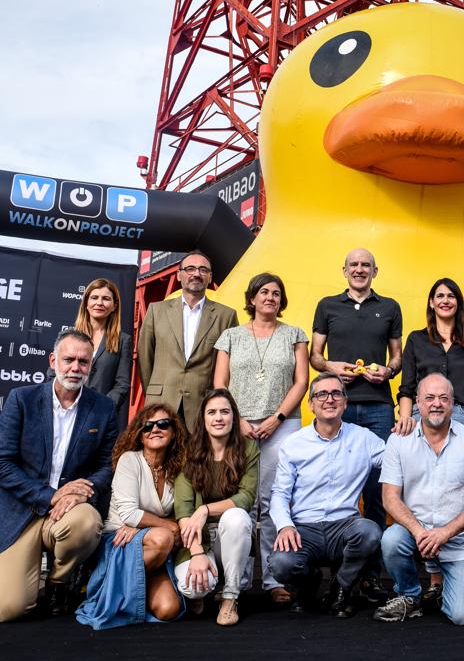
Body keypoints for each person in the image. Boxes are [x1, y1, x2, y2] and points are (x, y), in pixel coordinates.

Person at [0, 329, 117, 622]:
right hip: (20, 512)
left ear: (90, 366)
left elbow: (109, 465)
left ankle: (60, 581)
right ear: (53, 360)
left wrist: (86, 488)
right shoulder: (22, 399)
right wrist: (51, 495)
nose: (75, 368)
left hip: (70, 512)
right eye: (68, 359)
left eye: (83, 361)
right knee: (7, 610)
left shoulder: (103, 408)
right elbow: (0, 463)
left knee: (87, 522)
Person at [310, 247, 403, 598]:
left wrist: (389, 370)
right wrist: (333, 367)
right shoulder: (327, 305)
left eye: (366, 265)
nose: (359, 270)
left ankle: (371, 574)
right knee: (338, 489)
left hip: (379, 406)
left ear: (375, 271)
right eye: (354, 265)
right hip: (339, 406)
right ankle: (341, 571)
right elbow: (315, 356)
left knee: (378, 493)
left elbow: (397, 356)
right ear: (344, 270)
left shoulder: (390, 307)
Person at [213, 272, 309, 604]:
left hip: (283, 426)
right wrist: (236, 419)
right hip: (237, 427)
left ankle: (272, 579)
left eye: (276, 293)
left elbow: (301, 382)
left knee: (274, 503)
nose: (270, 297)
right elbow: (220, 383)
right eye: (263, 292)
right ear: (251, 298)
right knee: (241, 502)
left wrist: (276, 418)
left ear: (282, 301)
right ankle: (235, 581)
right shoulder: (230, 336)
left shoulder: (295, 334)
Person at [396, 279, 464, 603]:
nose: (446, 300)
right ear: (431, 303)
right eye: (440, 296)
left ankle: (463, 565)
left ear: (458, 302)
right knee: (427, 490)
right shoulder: (417, 340)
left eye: (451, 296)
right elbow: (407, 386)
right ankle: (434, 577)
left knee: (463, 495)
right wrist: (406, 418)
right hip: (427, 417)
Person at [375, 373, 464, 626]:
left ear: (452, 403)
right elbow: (389, 498)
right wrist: (419, 532)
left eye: (443, 398)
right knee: (391, 539)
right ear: (417, 402)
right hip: (415, 533)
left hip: (460, 539)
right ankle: (409, 595)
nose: (436, 403)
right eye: (429, 398)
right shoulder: (398, 441)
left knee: (462, 616)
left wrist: (444, 533)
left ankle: (446, 588)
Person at [269, 373, 386, 617]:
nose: (329, 399)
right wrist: (285, 526)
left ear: (345, 401)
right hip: (305, 529)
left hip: (345, 527)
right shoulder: (293, 444)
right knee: (281, 564)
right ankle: (308, 583)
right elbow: (279, 494)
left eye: (336, 393)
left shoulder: (364, 438)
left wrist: (415, 432)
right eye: (321, 394)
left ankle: (340, 587)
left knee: (370, 532)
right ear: (310, 403)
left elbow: (396, 461)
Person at [75, 404, 188, 629]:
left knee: (169, 609)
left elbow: (183, 512)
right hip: (120, 540)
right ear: (140, 434)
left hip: (151, 546)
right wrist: (166, 526)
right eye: (148, 426)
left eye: (163, 424)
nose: (155, 429)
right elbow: (128, 514)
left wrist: (145, 527)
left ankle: (124, 591)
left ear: (174, 431)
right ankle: (104, 582)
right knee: (163, 538)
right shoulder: (129, 460)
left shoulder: (178, 468)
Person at [173, 388, 259, 627]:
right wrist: (197, 552)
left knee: (237, 517)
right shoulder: (190, 452)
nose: (218, 418)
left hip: (231, 534)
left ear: (234, 416)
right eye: (211, 412)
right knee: (192, 588)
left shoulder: (249, 448)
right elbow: (183, 508)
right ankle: (206, 591)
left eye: (225, 411)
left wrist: (206, 510)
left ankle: (230, 597)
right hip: (197, 535)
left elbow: (246, 497)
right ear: (203, 418)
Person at [139, 250, 240, 431]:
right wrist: (156, 389)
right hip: (160, 402)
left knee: (196, 458)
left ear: (210, 277)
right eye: (190, 269)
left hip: (202, 404)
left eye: (203, 270)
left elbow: (231, 365)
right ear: (179, 275)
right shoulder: (156, 311)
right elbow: (145, 357)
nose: (196, 274)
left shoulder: (226, 316)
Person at [73, 278, 132, 431]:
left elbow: (122, 385)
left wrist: (100, 407)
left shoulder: (123, 341)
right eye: (94, 297)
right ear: (86, 303)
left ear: (114, 306)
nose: (99, 303)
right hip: (69, 413)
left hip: (101, 419)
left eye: (106, 299)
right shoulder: (69, 337)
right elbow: (53, 375)